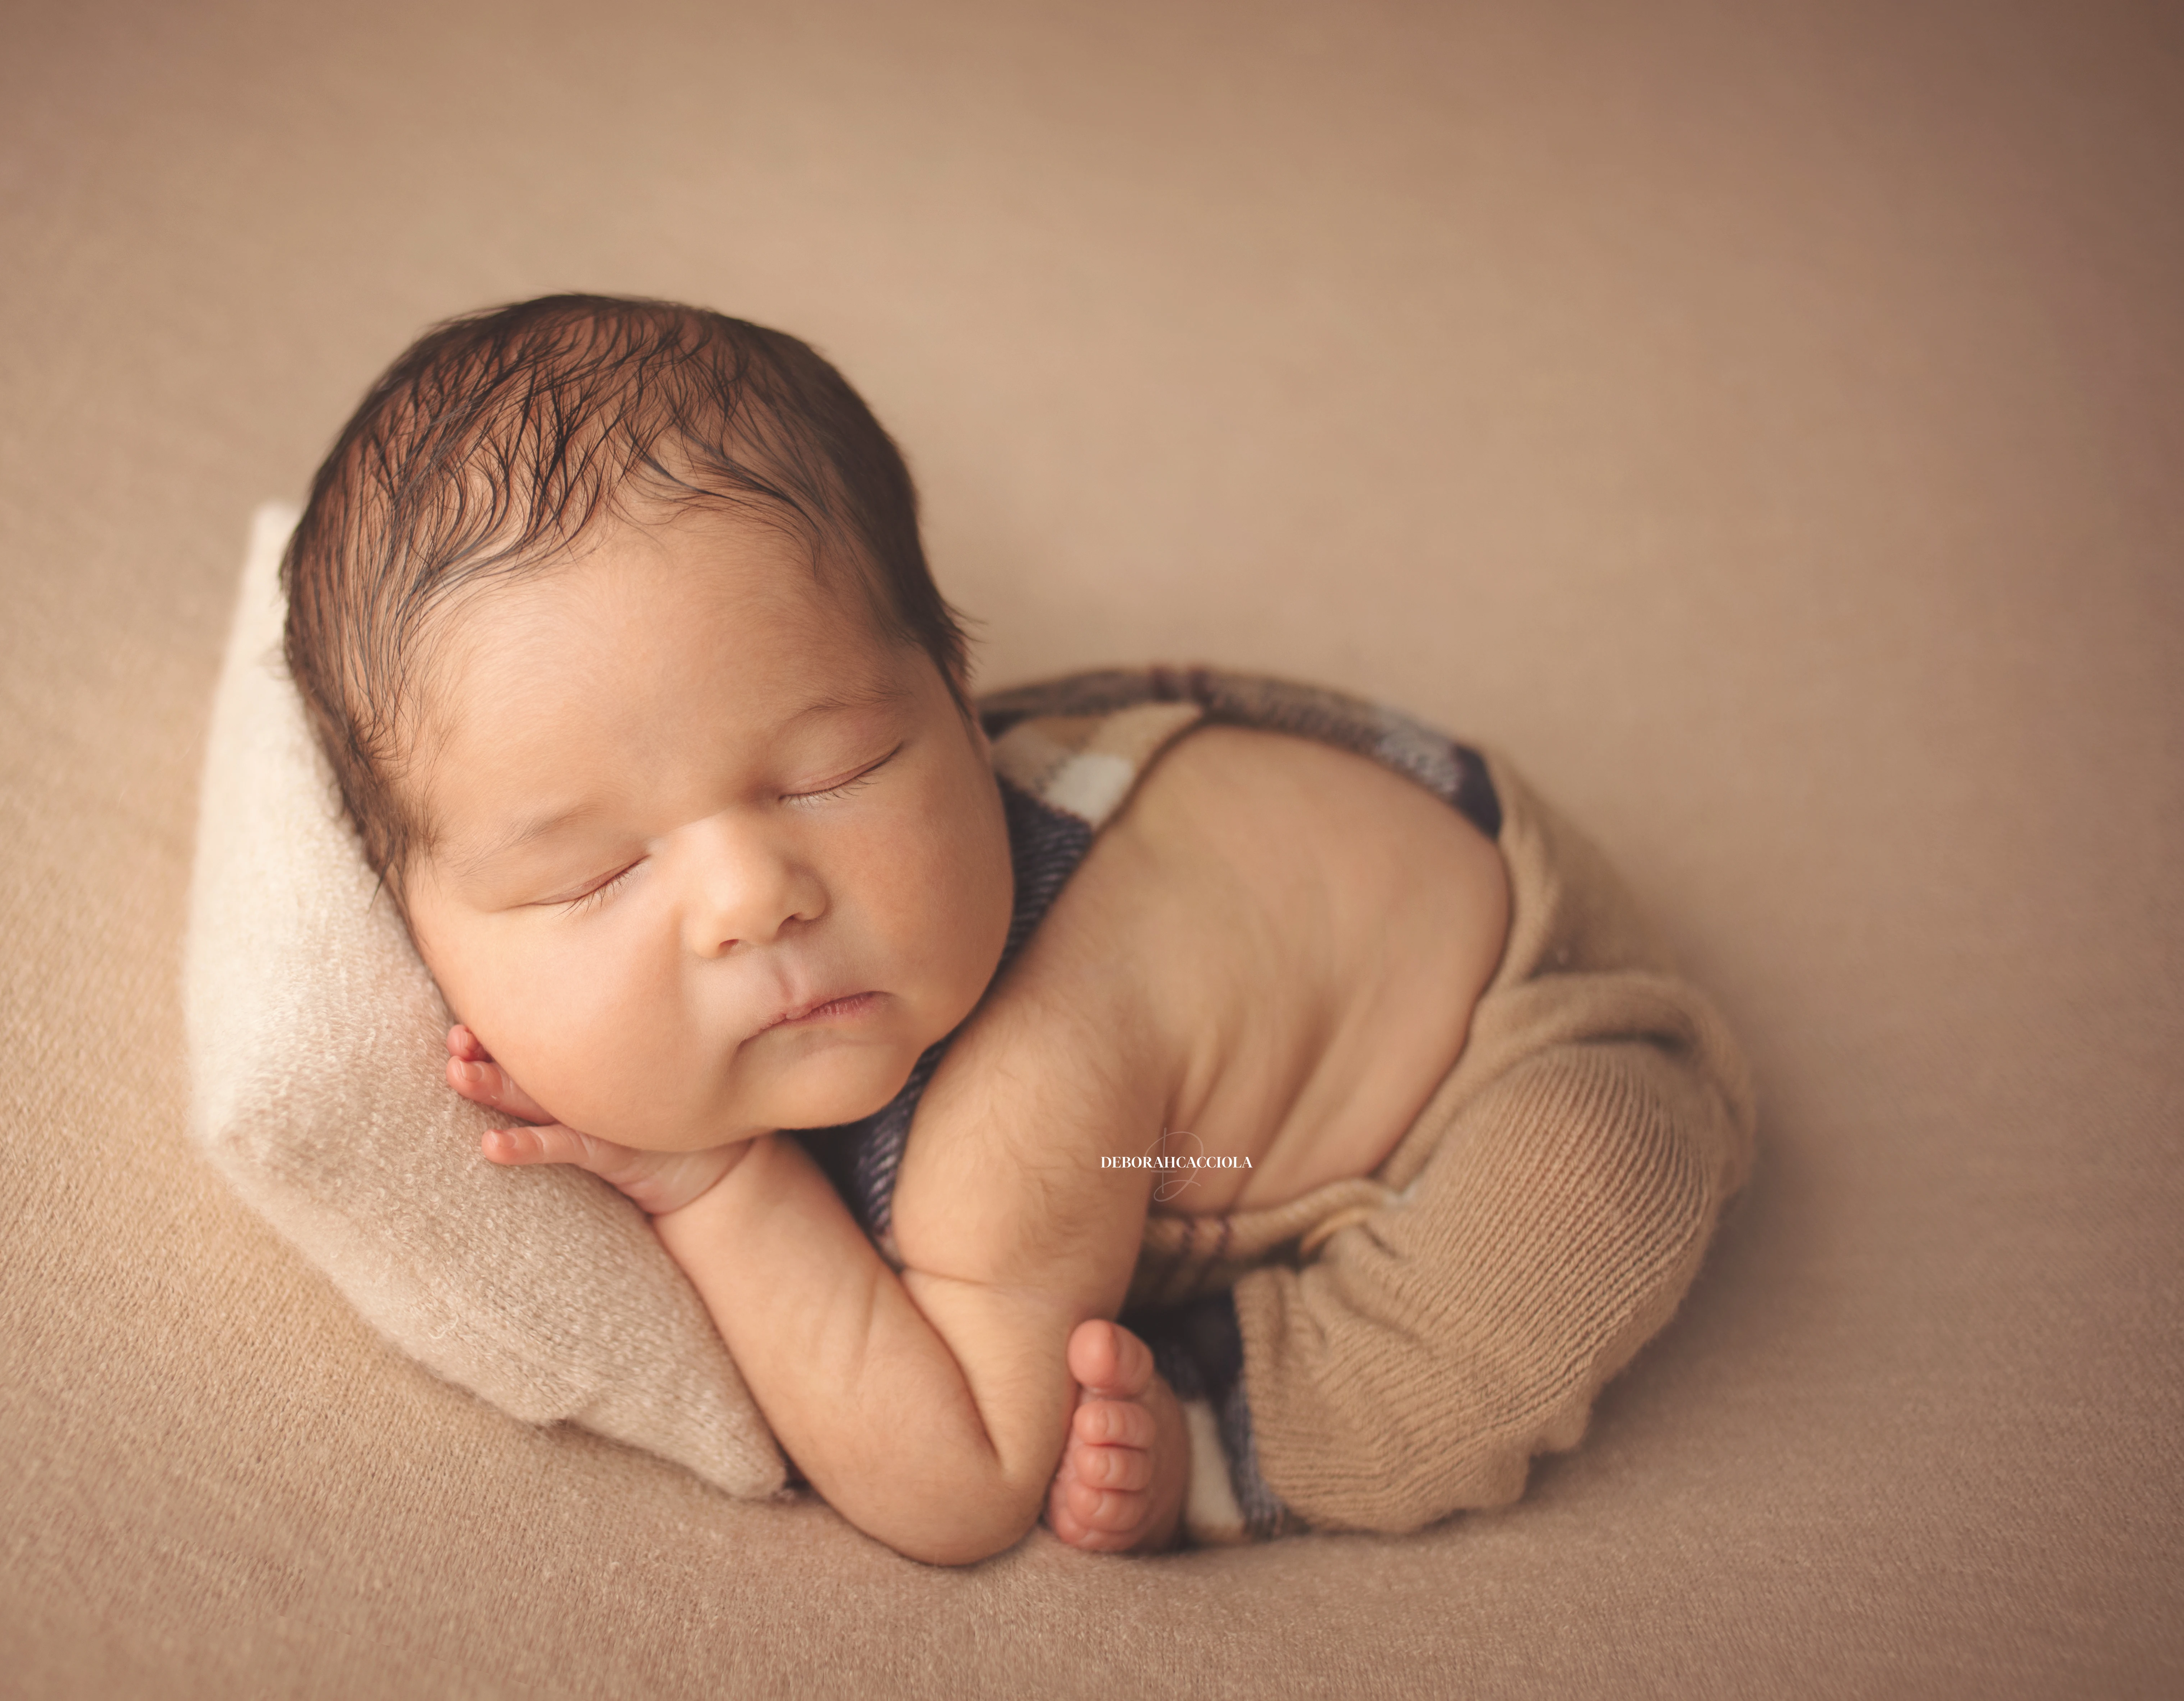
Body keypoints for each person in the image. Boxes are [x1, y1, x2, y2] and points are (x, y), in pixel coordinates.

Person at [279, 294, 1756, 1564]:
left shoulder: (1021, 1109)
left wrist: (715, 1184)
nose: (751, 896)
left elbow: (968, 1475)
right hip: (1276, 847)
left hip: (1511, 1020)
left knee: (1581, 1209)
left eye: (832, 770)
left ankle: (1237, 1435)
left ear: (949, 681)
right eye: (597, 871)